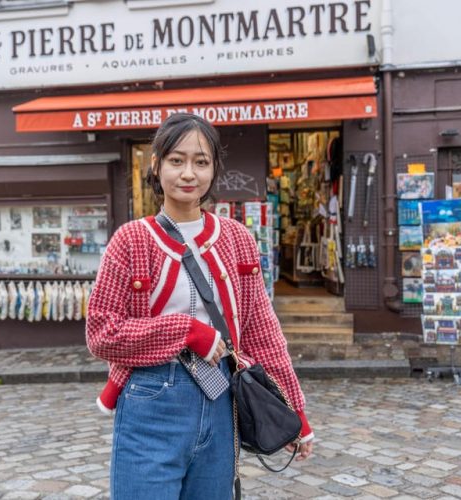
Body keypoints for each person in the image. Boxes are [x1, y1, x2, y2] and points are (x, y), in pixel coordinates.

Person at [86, 112, 313, 500]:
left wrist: (296, 415)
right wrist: (188, 331)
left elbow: (262, 331)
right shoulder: (130, 241)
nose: (188, 173)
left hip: (222, 398)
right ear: (156, 166)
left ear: (213, 170)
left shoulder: (237, 239)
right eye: (177, 160)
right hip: (150, 399)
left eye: (201, 161)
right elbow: (102, 334)